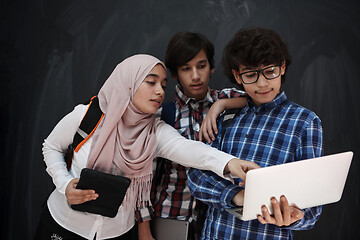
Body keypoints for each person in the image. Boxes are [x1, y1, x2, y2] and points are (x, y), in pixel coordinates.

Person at [34, 54, 259, 240]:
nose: (160, 91)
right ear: (128, 82)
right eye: (150, 82)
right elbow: (51, 147)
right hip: (63, 225)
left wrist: (230, 163)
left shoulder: (154, 131)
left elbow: (190, 150)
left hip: (117, 233)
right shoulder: (87, 115)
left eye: (163, 85)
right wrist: (65, 185)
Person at [188, 27, 324, 240]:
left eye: (270, 72)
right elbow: (196, 176)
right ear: (237, 76)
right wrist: (238, 196)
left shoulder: (305, 123)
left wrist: (296, 217)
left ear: (282, 67)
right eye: (251, 75)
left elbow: (313, 209)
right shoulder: (225, 117)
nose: (262, 84)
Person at [135, 32, 248, 240]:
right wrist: (144, 231)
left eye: (201, 66)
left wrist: (220, 106)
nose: (195, 76)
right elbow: (143, 179)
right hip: (170, 218)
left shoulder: (225, 99)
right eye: (186, 69)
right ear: (176, 74)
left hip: (217, 219)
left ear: (211, 67)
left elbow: (257, 97)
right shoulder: (164, 115)